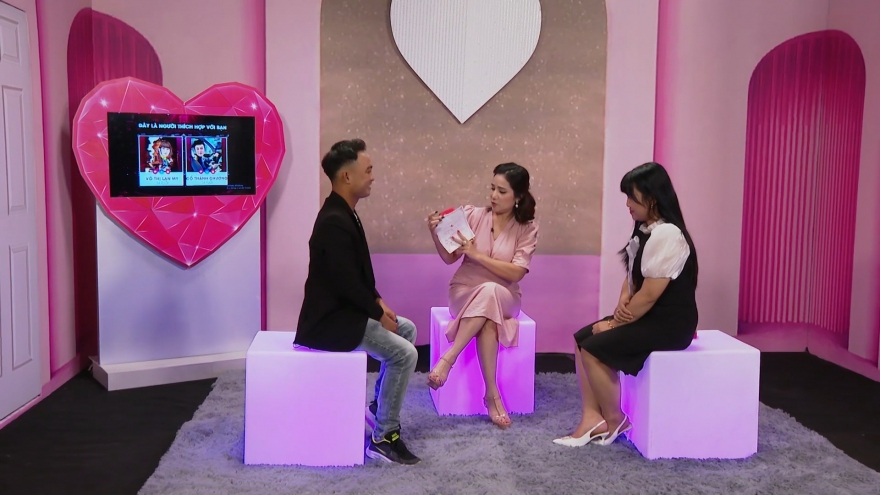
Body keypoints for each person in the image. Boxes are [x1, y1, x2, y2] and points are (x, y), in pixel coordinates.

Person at [553, 162, 698, 447]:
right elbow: (634, 277)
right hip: (649, 315)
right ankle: (592, 418)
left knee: (594, 347)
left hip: (669, 324)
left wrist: (615, 323)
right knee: (582, 339)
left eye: (632, 197)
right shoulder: (647, 230)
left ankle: (615, 418)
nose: (627, 204)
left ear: (651, 198)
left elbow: (650, 294)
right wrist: (622, 300)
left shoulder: (668, 234)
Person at [294, 139, 421, 465]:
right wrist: (377, 312)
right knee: (405, 354)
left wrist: (379, 301)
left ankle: (379, 408)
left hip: (346, 310)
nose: (372, 177)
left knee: (406, 330)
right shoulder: (333, 220)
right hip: (328, 322)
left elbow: (357, 274)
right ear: (347, 176)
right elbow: (345, 283)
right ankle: (383, 438)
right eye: (368, 171)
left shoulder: (345, 212)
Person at [425, 163, 538, 429]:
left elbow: (517, 272)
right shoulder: (472, 215)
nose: (493, 196)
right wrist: (435, 233)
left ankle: (448, 359)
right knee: (488, 319)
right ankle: (491, 395)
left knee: (491, 292)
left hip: (505, 294)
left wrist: (477, 255)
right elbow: (449, 258)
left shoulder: (527, 228)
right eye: (492, 188)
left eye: (502, 191)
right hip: (464, 292)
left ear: (518, 196)